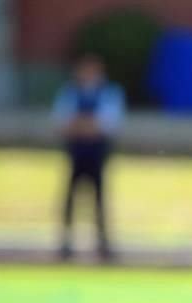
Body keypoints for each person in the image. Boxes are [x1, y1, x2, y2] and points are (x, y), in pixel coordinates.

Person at [52, 53, 125, 261]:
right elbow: (62, 122)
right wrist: (87, 125)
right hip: (76, 152)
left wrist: (81, 124)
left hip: (97, 153)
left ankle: (103, 243)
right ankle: (66, 242)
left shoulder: (109, 93)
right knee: (70, 197)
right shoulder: (70, 93)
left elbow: (108, 124)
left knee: (99, 199)